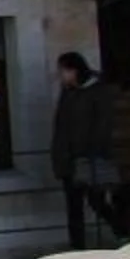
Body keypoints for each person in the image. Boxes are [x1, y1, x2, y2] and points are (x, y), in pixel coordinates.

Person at [51, 52, 119, 248]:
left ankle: (122, 229)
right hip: (69, 158)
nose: (60, 75)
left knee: (96, 200)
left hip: (90, 157)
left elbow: (103, 124)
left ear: (74, 70)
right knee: (74, 206)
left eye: (63, 71)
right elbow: (61, 126)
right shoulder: (68, 93)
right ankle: (77, 247)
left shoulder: (98, 91)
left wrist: (93, 149)